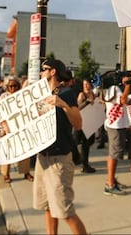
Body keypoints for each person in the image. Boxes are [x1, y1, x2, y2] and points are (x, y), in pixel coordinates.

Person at [33, 59, 87, 235]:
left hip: (59, 159)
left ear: (53, 71)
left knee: (65, 211)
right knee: (48, 206)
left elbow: (78, 124)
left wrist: (62, 104)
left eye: (44, 69)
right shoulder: (40, 94)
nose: (41, 72)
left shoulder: (66, 93)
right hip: (43, 158)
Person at [0, 78, 34, 183]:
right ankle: (6, 174)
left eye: (15, 86)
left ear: (18, 86)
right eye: (10, 86)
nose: (12, 88)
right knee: (7, 152)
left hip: (21, 126)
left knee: (25, 151)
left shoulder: (23, 96)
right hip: (8, 127)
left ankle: (26, 172)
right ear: (7, 88)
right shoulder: (4, 97)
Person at [102, 72, 131, 195]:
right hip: (116, 125)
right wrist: (128, 86)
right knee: (113, 154)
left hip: (116, 123)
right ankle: (110, 184)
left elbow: (126, 102)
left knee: (115, 152)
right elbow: (123, 100)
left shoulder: (111, 90)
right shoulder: (114, 89)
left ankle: (112, 179)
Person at [76, 78, 97, 173]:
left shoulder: (93, 94)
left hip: (91, 121)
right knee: (85, 143)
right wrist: (86, 102)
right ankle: (84, 164)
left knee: (90, 141)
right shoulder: (82, 95)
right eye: (84, 84)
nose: (86, 86)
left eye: (87, 84)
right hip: (83, 121)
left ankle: (83, 161)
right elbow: (78, 107)